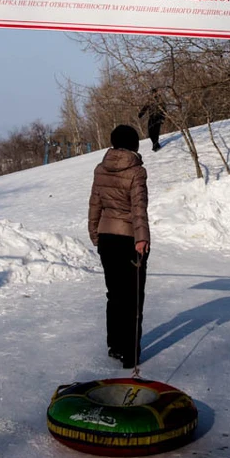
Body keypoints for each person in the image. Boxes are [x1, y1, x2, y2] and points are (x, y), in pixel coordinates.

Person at [87, 124, 150, 369]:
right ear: (134, 144)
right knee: (133, 297)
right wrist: (142, 239)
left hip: (107, 238)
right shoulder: (137, 171)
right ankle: (130, 355)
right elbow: (139, 209)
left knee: (114, 295)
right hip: (129, 240)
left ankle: (115, 344)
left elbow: (95, 204)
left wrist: (96, 234)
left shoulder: (100, 169)